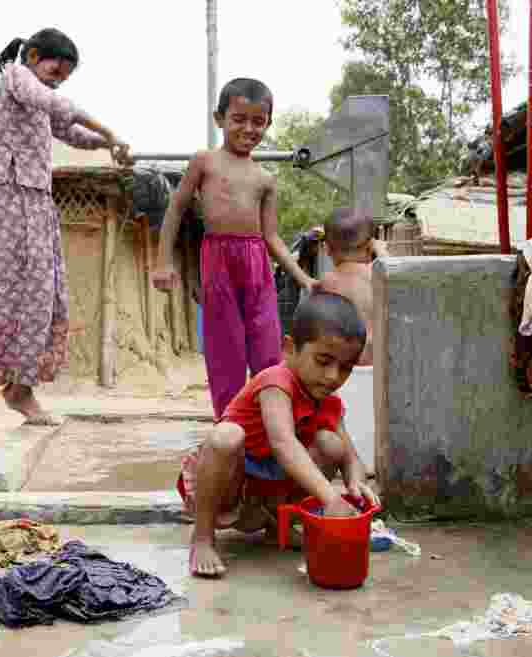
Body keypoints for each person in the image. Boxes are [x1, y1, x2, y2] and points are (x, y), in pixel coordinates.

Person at [0, 29, 131, 425]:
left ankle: (21, 387)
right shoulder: (17, 78)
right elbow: (55, 104)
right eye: (55, 70)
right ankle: (14, 386)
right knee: (17, 292)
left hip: (36, 200)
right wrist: (108, 131)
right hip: (9, 195)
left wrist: (106, 144)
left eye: (64, 76)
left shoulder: (38, 98)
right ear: (35, 55)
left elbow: (70, 132)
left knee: (44, 296)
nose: (58, 79)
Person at [177, 292, 380, 577]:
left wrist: (356, 487)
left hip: (269, 490)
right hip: (232, 482)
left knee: (331, 444)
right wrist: (330, 498)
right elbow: (283, 443)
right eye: (323, 361)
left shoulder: (327, 400)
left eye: (345, 368)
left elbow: (351, 457)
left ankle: (278, 526)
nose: (334, 376)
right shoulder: (276, 382)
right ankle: (202, 538)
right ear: (290, 349)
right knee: (226, 437)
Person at [153, 78, 317, 420]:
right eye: (239, 119)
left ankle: (269, 424)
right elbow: (176, 209)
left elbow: (271, 237)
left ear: (268, 124)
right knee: (224, 348)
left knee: (267, 344)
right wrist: (162, 261)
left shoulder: (265, 179)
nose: (249, 128)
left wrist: (305, 280)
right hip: (218, 261)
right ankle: (228, 424)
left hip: (257, 264)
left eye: (258, 121)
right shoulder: (204, 162)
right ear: (220, 119)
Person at [317, 208, 390, 472]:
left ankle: (347, 462)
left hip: (341, 376)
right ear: (371, 244)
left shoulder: (327, 282)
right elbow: (399, 274)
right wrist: (383, 254)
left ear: (326, 248)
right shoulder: (381, 275)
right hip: (380, 373)